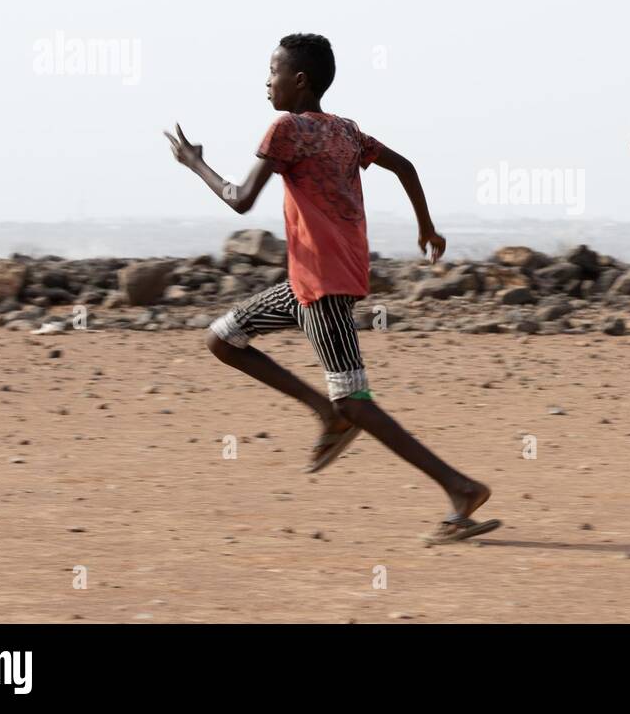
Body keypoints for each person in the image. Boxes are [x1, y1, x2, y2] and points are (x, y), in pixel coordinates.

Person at [164, 32, 498, 543]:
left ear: (298, 81)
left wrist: (194, 163)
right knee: (222, 338)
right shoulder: (345, 130)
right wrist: (425, 228)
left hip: (323, 285)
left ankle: (459, 489)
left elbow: (240, 200)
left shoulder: (286, 129)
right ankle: (325, 413)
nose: (266, 83)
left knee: (356, 402)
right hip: (310, 282)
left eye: (272, 73)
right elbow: (405, 166)